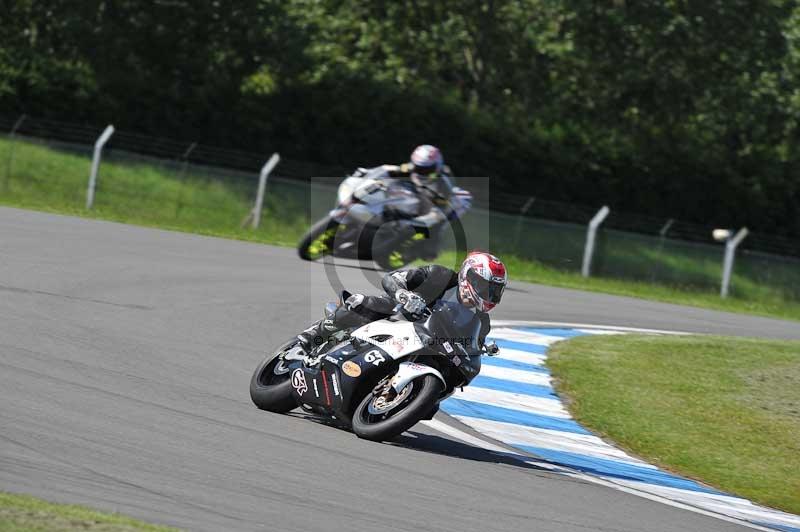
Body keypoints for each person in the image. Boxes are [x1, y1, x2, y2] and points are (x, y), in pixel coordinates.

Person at [297, 251, 507, 353]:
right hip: (396, 318)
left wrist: (480, 349)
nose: (487, 294)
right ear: (467, 276)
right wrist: (403, 295)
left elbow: (471, 348)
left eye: (493, 291)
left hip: (421, 347)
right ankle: (316, 333)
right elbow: (393, 279)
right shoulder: (438, 276)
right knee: (362, 302)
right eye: (483, 286)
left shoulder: (481, 323)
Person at [352, 145, 455, 259]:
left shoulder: (443, 182)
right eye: (419, 167)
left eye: (426, 169)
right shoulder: (412, 168)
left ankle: (429, 247)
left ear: (437, 165)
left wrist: (420, 221)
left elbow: (440, 210)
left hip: (435, 205)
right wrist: (368, 173)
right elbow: (389, 170)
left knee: (435, 223)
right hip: (412, 197)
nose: (421, 172)